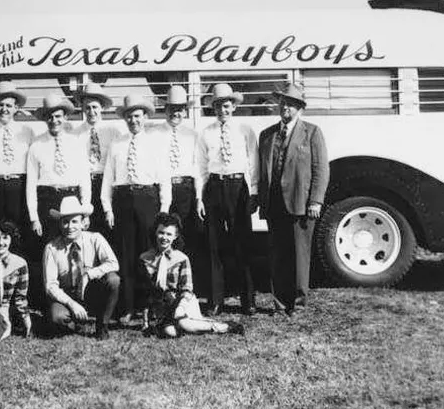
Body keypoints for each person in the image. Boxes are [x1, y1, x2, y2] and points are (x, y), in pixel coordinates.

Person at [258, 84, 329, 316]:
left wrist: (316, 201)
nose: (285, 107)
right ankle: (279, 303)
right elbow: (261, 171)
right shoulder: (267, 135)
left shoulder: (312, 132)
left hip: (300, 203)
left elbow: (321, 170)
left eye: (290, 104)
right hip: (274, 203)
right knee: (278, 255)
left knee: (299, 255)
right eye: (283, 103)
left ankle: (298, 304)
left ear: (299, 108)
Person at [101, 94, 171, 324]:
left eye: (137, 116)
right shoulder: (117, 144)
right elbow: (108, 178)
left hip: (147, 199)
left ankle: (148, 309)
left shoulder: (155, 143)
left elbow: (164, 179)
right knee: (126, 255)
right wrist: (108, 208)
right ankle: (129, 307)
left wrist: (164, 208)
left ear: (145, 117)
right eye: (129, 116)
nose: (134, 120)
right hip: (123, 200)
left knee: (149, 254)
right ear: (125, 119)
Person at [198, 83, 260, 316]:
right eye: (217, 106)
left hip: (237, 187)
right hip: (214, 186)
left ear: (233, 106)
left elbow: (253, 162)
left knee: (242, 243)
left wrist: (254, 192)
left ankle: (248, 300)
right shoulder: (206, 132)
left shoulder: (245, 130)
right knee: (215, 245)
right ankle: (216, 300)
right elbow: (201, 166)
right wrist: (199, 197)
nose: (222, 110)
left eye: (226, 105)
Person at [139, 212, 242, 338]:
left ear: (175, 236)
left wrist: (180, 308)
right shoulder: (145, 259)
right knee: (170, 332)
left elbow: (187, 289)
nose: (164, 237)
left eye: (169, 234)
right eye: (161, 232)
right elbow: (145, 293)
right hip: (163, 307)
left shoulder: (181, 259)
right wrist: (146, 322)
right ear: (155, 232)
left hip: (183, 302)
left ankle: (225, 326)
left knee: (184, 323)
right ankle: (180, 325)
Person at [43, 196, 121, 340]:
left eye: (74, 221)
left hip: (90, 290)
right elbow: (50, 286)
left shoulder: (95, 238)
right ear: (60, 224)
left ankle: (102, 326)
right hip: (66, 295)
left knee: (113, 280)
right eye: (65, 222)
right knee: (57, 318)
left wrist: (89, 274)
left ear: (83, 223)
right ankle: (75, 321)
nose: (70, 227)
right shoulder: (51, 248)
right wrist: (72, 304)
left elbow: (113, 263)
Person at [152, 85, 203, 288]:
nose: (176, 113)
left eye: (180, 108)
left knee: (189, 237)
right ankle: (163, 286)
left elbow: (198, 168)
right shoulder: (154, 134)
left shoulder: (192, 135)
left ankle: (189, 287)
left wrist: (199, 197)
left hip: (186, 190)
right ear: (165, 110)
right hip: (164, 190)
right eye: (172, 108)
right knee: (163, 236)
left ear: (185, 111)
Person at [26, 93, 92, 241]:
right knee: (49, 244)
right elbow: (31, 185)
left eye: (58, 116)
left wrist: (86, 212)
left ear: (65, 117)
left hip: (71, 197)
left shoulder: (76, 143)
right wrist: (34, 217)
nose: (54, 120)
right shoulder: (36, 145)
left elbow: (84, 180)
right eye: (50, 117)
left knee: (73, 242)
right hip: (47, 199)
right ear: (45, 119)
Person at [0, 81, 35, 236]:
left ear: (16, 108)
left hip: (18, 186)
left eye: (9, 106)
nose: (4, 109)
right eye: (0, 105)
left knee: (18, 229)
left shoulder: (27, 131)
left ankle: (19, 260)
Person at [71, 82, 121, 240]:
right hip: (86, 185)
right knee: (87, 226)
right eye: (87, 107)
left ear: (102, 108)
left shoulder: (113, 132)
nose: (91, 111)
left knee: (110, 226)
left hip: (107, 183)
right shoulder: (76, 134)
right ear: (83, 109)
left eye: (94, 107)